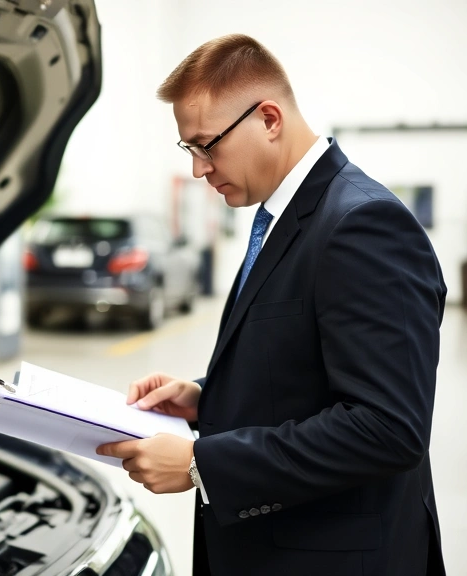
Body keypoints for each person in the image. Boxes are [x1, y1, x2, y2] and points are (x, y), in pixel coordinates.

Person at [95, 34, 446, 575]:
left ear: (269, 118)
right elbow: (310, 373)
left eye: (206, 144)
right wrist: (206, 400)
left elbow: (387, 426)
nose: (199, 169)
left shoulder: (361, 223)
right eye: (189, 149)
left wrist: (200, 464)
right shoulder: (284, 218)